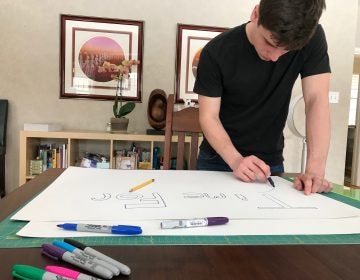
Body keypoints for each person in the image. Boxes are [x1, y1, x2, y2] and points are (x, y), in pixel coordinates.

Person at [194, 0, 332, 195]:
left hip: (270, 163)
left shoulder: (312, 38)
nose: (275, 57)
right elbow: (209, 116)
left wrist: (315, 170)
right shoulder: (215, 52)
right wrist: (236, 160)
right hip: (218, 160)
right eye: (269, 42)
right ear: (255, 14)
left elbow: (316, 99)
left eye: (286, 51)